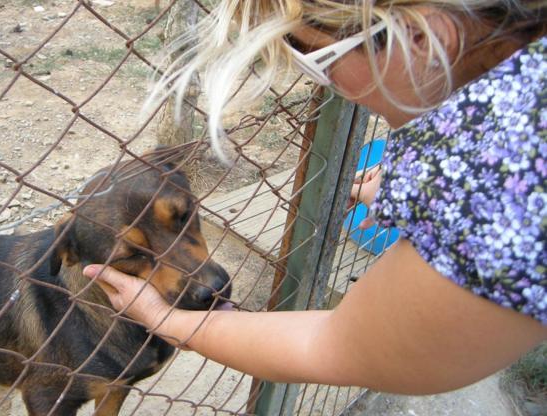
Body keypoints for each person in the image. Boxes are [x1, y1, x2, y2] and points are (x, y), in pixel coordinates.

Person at [83, 0, 547, 394]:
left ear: (423, 37)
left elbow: (335, 343)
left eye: (305, 52)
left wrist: (165, 320)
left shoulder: (489, 182)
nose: (319, 82)